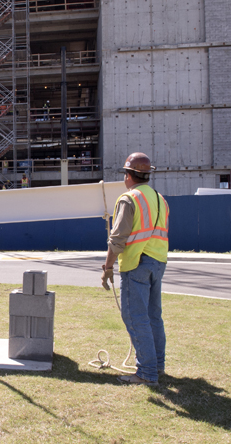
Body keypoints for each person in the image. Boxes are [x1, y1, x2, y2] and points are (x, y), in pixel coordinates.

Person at [101, 152, 169, 386]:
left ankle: (147, 373)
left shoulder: (129, 199)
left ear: (128, 175)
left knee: (135, 316)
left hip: (136, 263)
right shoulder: (160, 199)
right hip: (158, 262)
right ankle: (157, 365)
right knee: (153, 317)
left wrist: (108, 267)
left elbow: (117, 239)